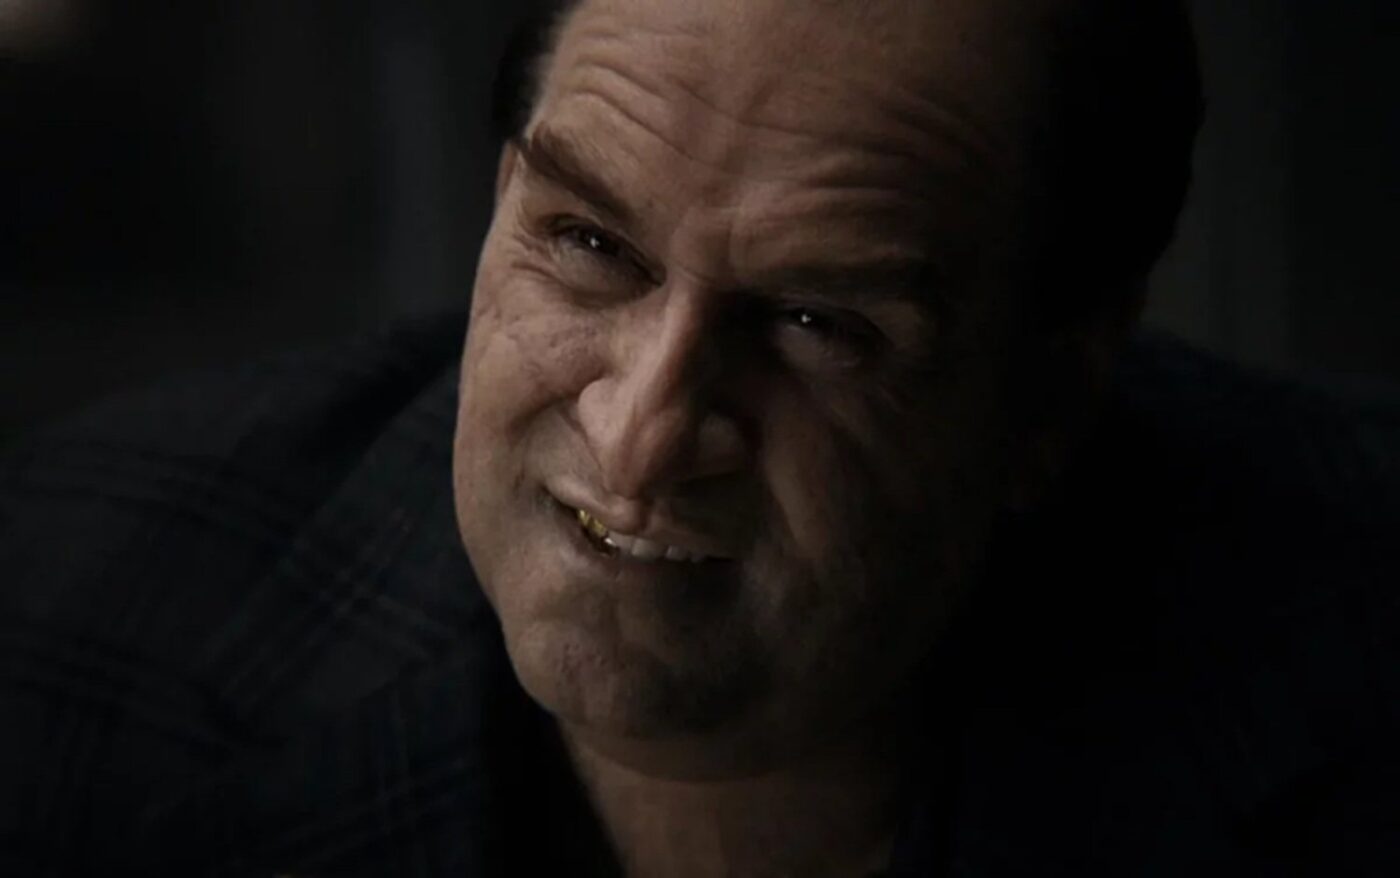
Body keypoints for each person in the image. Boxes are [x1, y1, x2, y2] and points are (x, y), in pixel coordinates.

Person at [1, 0, 1396, 875]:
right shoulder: (65, 618)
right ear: (501, 199)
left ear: (1047, 396)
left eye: (816, 325)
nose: (642, 436)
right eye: (589, 245)